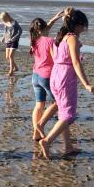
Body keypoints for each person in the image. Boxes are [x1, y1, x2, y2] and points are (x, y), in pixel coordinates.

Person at [39, 9, 94, 159]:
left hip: (55, 75)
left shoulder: (60, 37)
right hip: (65, 77)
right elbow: (76, 63)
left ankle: (67, 146)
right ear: (77, 25)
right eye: (83, 26)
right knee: (69, 115)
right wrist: (87, 84)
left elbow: (58, 56)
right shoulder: (72, 38)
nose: (84, 29)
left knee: (62, 112)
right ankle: (47, 141)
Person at [29, 9, 66, 141]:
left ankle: (36, 133)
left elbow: (47, 26)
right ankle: (40, 125)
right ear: (44, 28)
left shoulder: (34, 39)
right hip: (47, 76)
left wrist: (55, 18)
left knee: (39, 105)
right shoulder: (50, 41)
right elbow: (56, 58)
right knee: (58, 103)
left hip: (35, 76)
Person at [0, 12, 22, 76]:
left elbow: (20, 31)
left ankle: (11, 72)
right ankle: (16, 68)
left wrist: (15, 37)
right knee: (7, 57)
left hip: (14, 41)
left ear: (7, 17)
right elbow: (5, 31)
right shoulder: (6, 23)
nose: (3, 21)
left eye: (4, 19)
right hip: (8, 41)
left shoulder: (14, 23)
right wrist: (3, 38)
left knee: (10, 56)